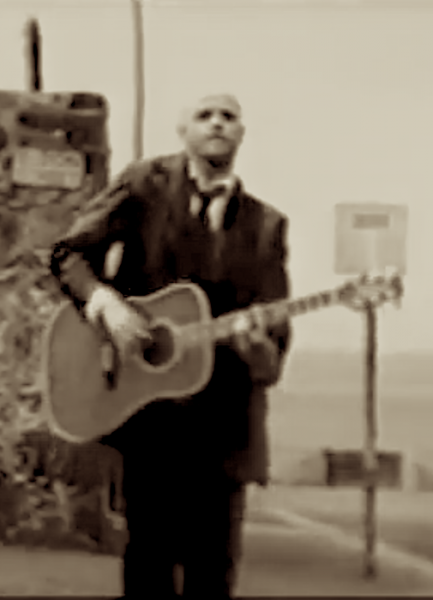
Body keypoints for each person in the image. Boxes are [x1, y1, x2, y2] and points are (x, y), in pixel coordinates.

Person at [50, 92, 292, 599]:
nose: (218, 123)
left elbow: (273, 352)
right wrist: (107, 305)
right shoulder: (145, 186)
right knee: (149, 565)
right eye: (205, 115)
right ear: (183, 131)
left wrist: (256, 347)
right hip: (149, 418)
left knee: (213, 574)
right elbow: (69, 254)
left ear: (241, 134)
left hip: (224, 427)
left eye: (229, 116)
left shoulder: (266, 226)